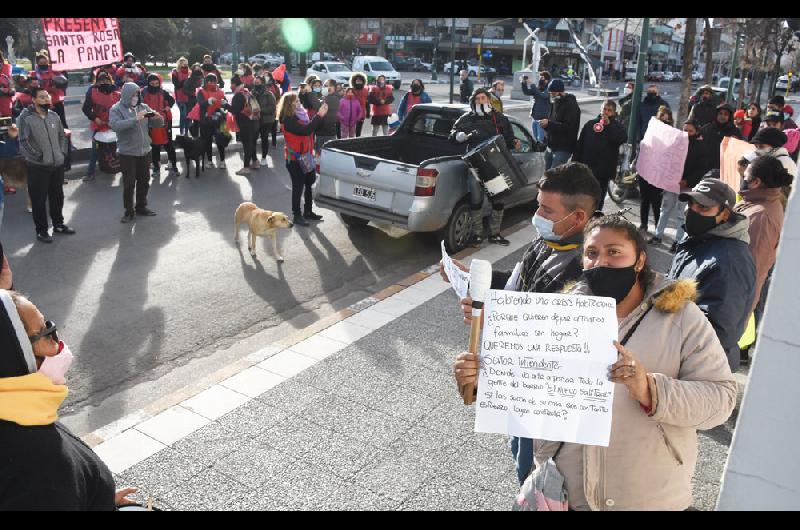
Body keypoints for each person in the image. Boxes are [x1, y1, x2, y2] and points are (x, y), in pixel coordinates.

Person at [454, 214, 737, 510]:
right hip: (567, 494)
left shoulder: (681, 318)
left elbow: (721, 400)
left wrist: (648, 388)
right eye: (591, 253)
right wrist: (479, 381)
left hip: (648, 497)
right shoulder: (560, 312)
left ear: (639, 260)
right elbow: (528, 386)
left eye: (614, 252)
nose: (600, 261)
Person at [443, 162, 599, 484]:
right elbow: (519, 285)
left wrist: (497, 319)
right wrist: (471, 278)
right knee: (520, 458)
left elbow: (562, 337)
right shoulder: (549, 241)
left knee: (537, 475)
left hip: (544, 401)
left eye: (546, 209)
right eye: (538, 205)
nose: (537, 215)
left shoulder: (586, 268)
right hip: (516, 387)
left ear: (578, 217)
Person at [0, 289, 140, 510]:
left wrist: (95, 495)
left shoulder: (20, 410)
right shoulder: (39, 466)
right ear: (14, 355)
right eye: (47, 332)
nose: (59, 341)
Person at [668, 178, 756, 371]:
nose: (693, 211)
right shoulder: (699, 239)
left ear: (725, 214)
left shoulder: (731, 262)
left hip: (701, 367)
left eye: (704, 208)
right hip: (678, 354)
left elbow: (718, 331)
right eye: (691, 204)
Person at [449, 87, 519, 246]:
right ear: (473, 101)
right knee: (476, 201)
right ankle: (477, 235)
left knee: (498, 201)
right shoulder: (466, 119)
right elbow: (451, 136)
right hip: (475, 167)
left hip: (495, 165)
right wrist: (457, 136)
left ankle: (494, 234)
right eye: (477, 99)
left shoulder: (500, 118)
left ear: (488, 100)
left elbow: (509, 138)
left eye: (483, 98)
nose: (480, 101)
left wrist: (514, 142)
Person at [734, 155, 793, 321]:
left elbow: (752, 268)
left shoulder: (762, 217)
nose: (743, 179)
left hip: (734, 301)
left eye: (745, 177)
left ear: (756, 182)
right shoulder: (760, 202)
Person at [17, 87, 74, 243]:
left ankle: (58, 224)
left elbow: (62, 136)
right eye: (42, 97)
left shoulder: (54, 116)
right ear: (34, 100)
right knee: (39, 200)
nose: (46, 99)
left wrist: (62, 153)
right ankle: (41, 231)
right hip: (38, 166)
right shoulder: (25, 118)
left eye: (47, 96)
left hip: (57, 164)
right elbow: (23, 141)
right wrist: (39, 156)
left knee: (57, 196)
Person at [110, 82, 165, 223]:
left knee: (144, 181)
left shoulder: (143, 107)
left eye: (137, 94)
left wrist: (158, 118)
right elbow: (115, 126)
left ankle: (141, 206)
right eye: (133, 94)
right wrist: (135, 119)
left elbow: (157, 124)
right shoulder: (116, 109)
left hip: (144, 150)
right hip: (127, 152)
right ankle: (129, 211)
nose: (135, 97)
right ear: (126, 94)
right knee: (129, 183)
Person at [653, 119, 708, 251]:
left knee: (681, 215)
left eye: (691, 131)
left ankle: (677, 242)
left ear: (696, 131)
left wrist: (687, 181)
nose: (687, 133)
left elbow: (701, 169)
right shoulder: (676, 144)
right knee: (664, 210)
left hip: (687, 187)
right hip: (671, 184)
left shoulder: (701, 148)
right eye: (685, 130)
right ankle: (657, 235)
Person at [278, 92, 328, 226]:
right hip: (294, 159)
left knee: (310, 182)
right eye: (295, 101)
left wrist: (321, 116)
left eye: (298, 100)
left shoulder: (302, 114)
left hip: (306, 156)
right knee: (298, 187)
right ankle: (297, 215)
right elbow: (305, 130)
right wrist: (319, 116)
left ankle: (308, 211)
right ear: (289, 104)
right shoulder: (288, 119)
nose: (298, 102)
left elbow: (313, 128)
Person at [573, 99, 627, 211]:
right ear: (601, 110)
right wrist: (575, 163)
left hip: (603, 171)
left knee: (598, 199)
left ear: (614, 112)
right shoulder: (590, 124)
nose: (606, 112)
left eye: (609, 110)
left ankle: (596, 219)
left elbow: (621, 139)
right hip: (587, 168)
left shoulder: (617, 126)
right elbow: (580, 145)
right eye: (604, 109)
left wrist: (609, 126)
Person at [638, 106, 674, 235]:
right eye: (661, 116)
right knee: (645, 199)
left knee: (656, 201)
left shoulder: (672, 134)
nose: (664, 119)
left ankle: (658, 226)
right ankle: (643, 224)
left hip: (658, 173)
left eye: (666, 117)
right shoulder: (651, 131)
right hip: (645, 170)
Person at [80, 71, 121, 183]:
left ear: (110, 81)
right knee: (95, 151)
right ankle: (90, 173)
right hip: (99, 127)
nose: (104, 82)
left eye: (107, 80)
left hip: (114, 127)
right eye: (101, 80)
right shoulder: (92, 92)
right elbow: (86, 109)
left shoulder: (117, 94)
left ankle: (122, 169)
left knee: (119, 149)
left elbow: (123, 110)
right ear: (97, 82)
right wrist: (95, 118)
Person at [142, 74, 179, 179]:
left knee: (168, 145)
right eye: (152, 84)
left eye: (156, 83)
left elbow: (172, 100)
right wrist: (149, 115)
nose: (154, 85)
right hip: (150, 122)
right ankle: (157, 167)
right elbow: (138, 107)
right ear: (148, 83)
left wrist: (168, 106)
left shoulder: (163, 92)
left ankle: (173, 165)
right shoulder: (143, 92)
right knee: (155, 146)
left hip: (165, 121)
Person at [541, 79, 580, 170]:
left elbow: (568, 127)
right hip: (551, 145)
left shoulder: (571, 105)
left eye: (553, 93)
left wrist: (549, 124)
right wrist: (546, 125)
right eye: (550, 92)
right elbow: (552, 122)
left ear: (560, 92)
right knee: (545, 172)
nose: (551, 95)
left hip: (563, 147)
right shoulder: (555, 102)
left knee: (554, 175)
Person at [195, 74, 229, 170]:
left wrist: (224, 103)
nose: (211, 83)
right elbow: (201, 104)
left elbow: (224, 103)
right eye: (209, 81)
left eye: (214, 81)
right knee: (207, 141)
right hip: (205, 120)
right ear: (206, 82)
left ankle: (222, 161)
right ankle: (209, 161)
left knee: (220, 140)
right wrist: (208, 101)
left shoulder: (220, 91)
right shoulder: (201, 92)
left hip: (219, 119)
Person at [229, 75, 260, 175]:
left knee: (247, 145)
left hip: (245, 124)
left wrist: (225, 105)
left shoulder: (238, 95)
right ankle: (255, 162)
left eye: (231, 84)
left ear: (234, 84)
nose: (230, 86)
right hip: (254, 121)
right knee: (251, 143)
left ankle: (246, 167)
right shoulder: (246, 92)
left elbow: (235, 110)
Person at [698, 103, 741, 171]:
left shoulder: (735, 132)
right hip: (704, 167)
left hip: (723, 168)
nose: (722, 116)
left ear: (729, 117)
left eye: (725, 114)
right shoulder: (707, 128)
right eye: (720, 113)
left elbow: (737, 151)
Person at [32, 50, 69, 128]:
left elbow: (63, 81)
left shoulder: (55, 70)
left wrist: (57, 82)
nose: (43, 65)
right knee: (47, 125)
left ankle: (66, 139)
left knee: (61, 122)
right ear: (38, 63)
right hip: (42, 102)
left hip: (56, 100)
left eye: (45, 63)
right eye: (41, 63)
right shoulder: (35, 73)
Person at [520, 71, 552, 143]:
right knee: (534, 139)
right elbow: (526, 92)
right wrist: (523, 83)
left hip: (542, 120)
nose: (540, 79)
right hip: (534, 118)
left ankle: (541, 153)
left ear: (546, 80)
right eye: (540, 77)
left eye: (542, 78)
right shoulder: (538, 88)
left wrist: (532, 84)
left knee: (540, 140)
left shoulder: (549, 89)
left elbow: (542, 95)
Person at [252, 75, 277, 163]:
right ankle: (254, 159)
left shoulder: (268, 94)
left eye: (258, 83)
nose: (256, 84)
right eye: (255, 83)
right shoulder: (252, 93)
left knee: (264, 139)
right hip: (255, 120)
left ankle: (264, 157)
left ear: (262, 83)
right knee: (253, 139)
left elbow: (273, 107)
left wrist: (260, 110)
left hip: (266, 121)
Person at [315, 79, 340, 155]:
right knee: (319, 156)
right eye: (324, 86)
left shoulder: (333, 98)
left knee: (322, 156)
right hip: (322, 131)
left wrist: (311, 93)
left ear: (332, 87)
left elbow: (317, 105)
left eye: (326, 86)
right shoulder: (326, 97)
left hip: (326, 133)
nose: (324, 88)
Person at [171, 57, 191, 136]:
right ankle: (181, 132)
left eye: (186, 64)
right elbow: (177, 85)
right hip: (179, 97)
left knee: (188, 115)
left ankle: (186, 132)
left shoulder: (189, 73)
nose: (184, 65)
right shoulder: (175, 72)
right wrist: (185, 81)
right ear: (179, 64)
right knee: (183, 114)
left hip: (188, 97)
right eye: (182, 63)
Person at [185, 66, 204, 138]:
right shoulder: (189, 80)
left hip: (201, 101)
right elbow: (185, 90)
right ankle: (194, 134)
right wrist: (193, 93)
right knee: (194, 119)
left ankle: (199, 135)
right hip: (192, 101)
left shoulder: (202, 79)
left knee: (200, 119)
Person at [348, 72, 370, 137]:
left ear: (363, 81)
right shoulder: (351, 90)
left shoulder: (366, 90)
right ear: (354, 81)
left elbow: (367, 103)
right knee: (351, 130)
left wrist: (368, 112)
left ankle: (357, 141)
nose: (359, 82)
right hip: (351, 114)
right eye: (357, 80)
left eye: (360, 81)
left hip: (361, 114)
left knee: (358, 130)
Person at [0, 52, 14, 119]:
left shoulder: (7, 69)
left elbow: (13, 90)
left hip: (5, 106)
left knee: (6, 127)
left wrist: (7, 90)